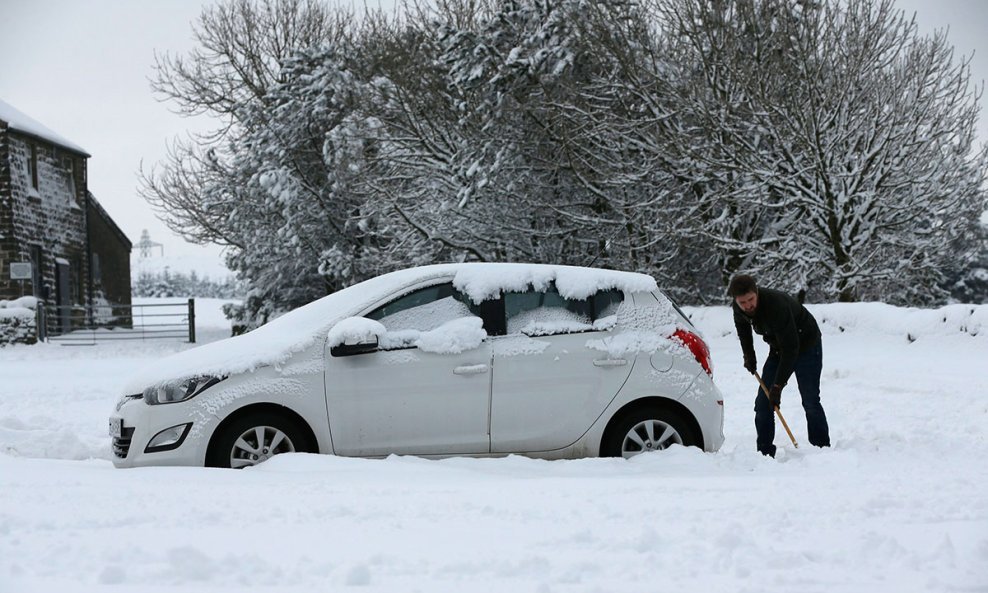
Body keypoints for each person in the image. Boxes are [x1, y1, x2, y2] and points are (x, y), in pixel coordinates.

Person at [728, 274, 831, 457]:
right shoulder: (739, 309)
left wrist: (778, 386)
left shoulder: (776, 306)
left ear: (757, 292)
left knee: (810, 400)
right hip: (778, 348)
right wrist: (749, 356)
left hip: (806, 345)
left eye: (751, 299)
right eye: (743, 302)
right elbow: (743, 330)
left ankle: (821, 450)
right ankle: (765, 453)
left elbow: (791, 349)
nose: (748, 305)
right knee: (763, 403)